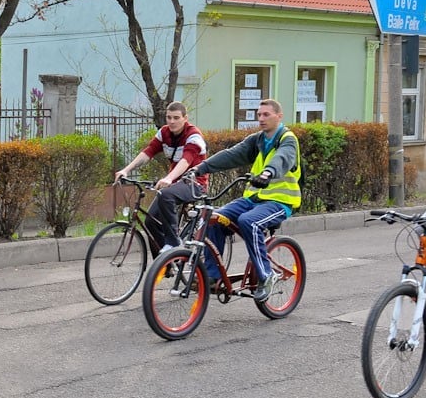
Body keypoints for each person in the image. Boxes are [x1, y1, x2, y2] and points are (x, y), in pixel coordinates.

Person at [187, 98, 301, 303]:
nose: (261, 119)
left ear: (279, 116)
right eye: (259, 115)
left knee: (249, 222)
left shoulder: (287, 139)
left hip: (279, 202)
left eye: (266, 114)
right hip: (254, 199)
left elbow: (283, 158)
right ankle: (212, 277)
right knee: (214, 218)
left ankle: (267, 276)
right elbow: (231, 155)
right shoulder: (257, 140)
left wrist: (268, 173)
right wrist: (200, 168)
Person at [114, 101, 208, 255]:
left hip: (195, 183)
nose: (171, 121)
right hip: (175, 184)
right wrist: (126, 170)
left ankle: (173, 242)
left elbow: (186, 161)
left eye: (176, 118)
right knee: (150, 221)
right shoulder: (164, 133)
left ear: (185, 118)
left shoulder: (193, 136)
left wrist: (169, 178)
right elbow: (148, 152)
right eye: (168, 117)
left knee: (166, 194)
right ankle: (164, 263)